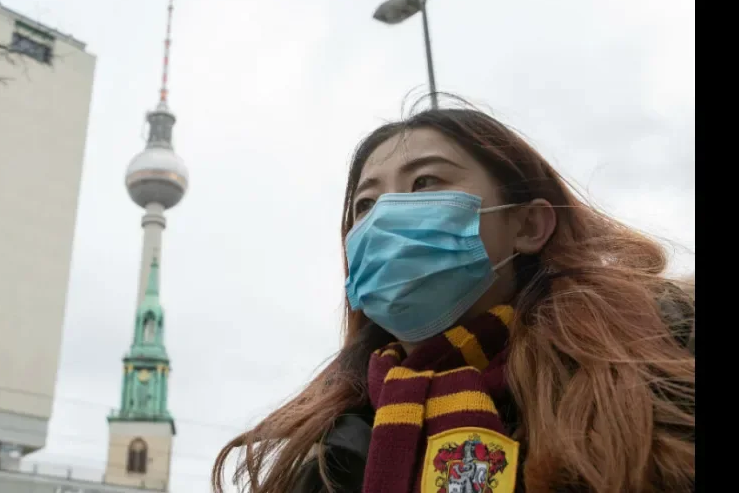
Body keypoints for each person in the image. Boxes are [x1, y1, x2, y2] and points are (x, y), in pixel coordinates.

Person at [211, 105, 695, 493]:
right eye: (365, 205)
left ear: (527, 225)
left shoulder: (663, 359)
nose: (385, 219)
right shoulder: (329, 447)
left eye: (425, 183)